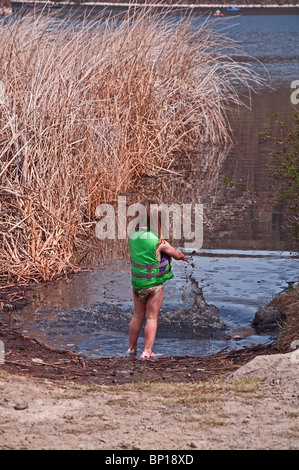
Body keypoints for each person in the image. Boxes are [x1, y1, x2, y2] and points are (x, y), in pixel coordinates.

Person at [127, 199, 189, 359]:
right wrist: (182, 257)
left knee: (137, 316)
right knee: (151, 317)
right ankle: (147, 351)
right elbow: (176, 254)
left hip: (137, 285)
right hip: (154, 286)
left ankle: (132, 347)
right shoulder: (159, 242)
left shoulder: (133, 237)